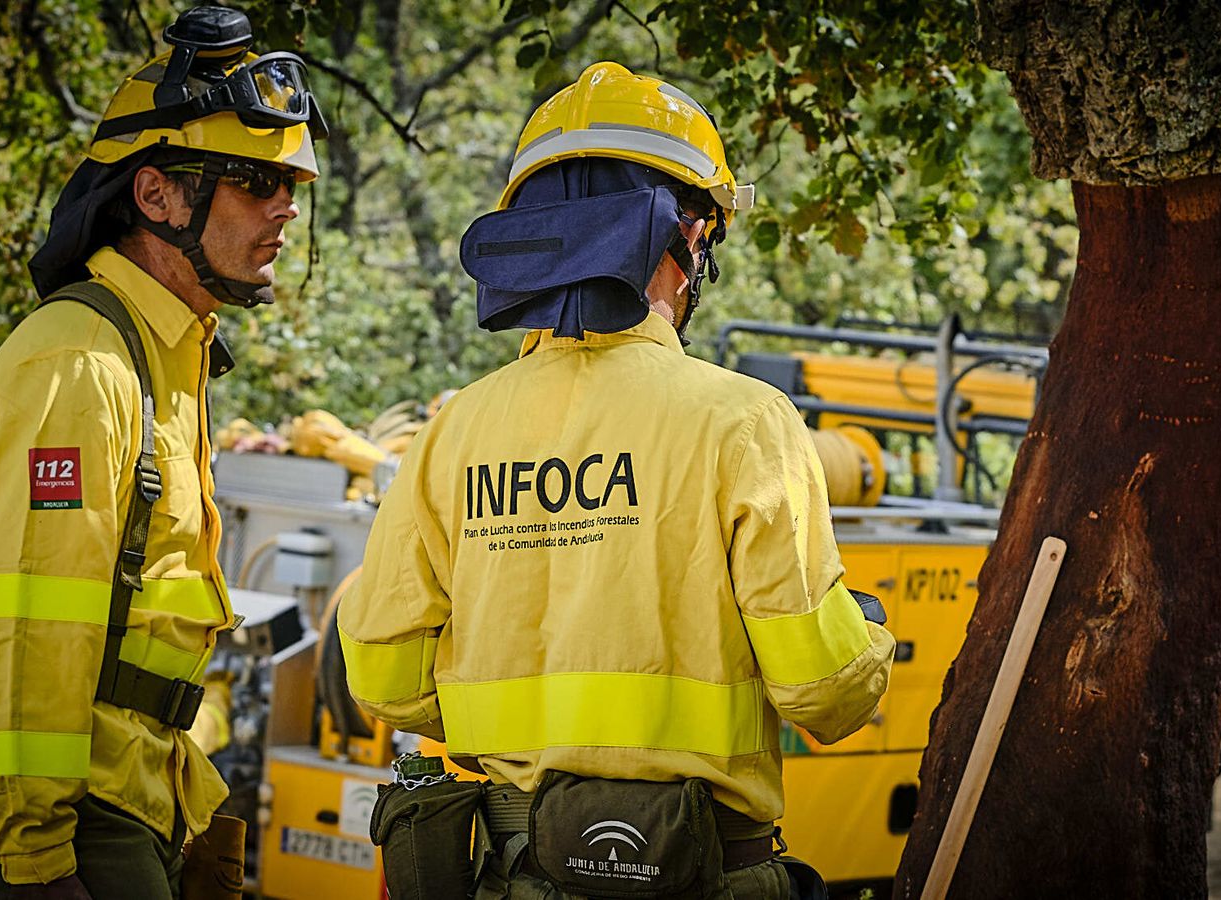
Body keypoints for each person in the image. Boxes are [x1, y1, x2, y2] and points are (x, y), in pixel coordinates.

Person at [338, 61, 896, 899]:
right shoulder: (744, 421)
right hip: (694, 872)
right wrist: (867, 637)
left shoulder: (451, 432)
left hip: (505, 872)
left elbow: (382, 676)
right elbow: (823, 694)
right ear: (688, 238)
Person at [0, 7, 324, 898]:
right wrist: (36, 863)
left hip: (129, 789)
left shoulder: (164, 358)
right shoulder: (78, 366)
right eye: (257, 180)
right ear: (156, 196)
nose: (286, 206)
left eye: (293, 183)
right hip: (60, 809)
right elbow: (32, 623)